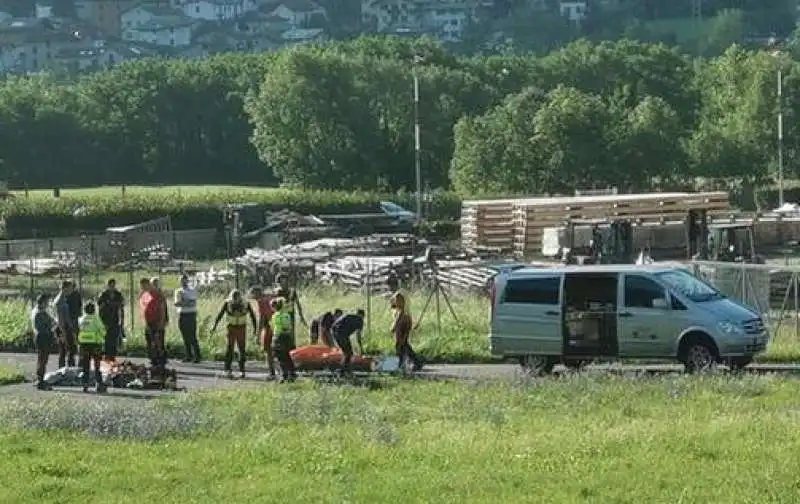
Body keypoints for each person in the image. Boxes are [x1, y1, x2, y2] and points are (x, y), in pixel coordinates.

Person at [212, 289, 257, 379]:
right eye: (234, 298)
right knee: (230, 348)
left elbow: (252, 316)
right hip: (231, 327)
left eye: (237, 298)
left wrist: (255, 329)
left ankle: (242, 370)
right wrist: (214, 326)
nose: (236, 300)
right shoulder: (227, 303)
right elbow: (220, 314)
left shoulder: (246, 303)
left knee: (242, 349)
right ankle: (227, 369)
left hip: (241, 327)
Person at [78, 302, 107, 393]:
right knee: (97, 365)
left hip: (84, 345)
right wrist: (103, 338)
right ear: (94, 310)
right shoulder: (96, 319)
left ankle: (85, 385)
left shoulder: (81, 319)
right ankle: (98, 384)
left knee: (85, 365)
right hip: (95, 344)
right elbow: (102, 330)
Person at [390, 291, 423, 372]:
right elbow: (396, 321)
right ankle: (414, 363)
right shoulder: (398, 312)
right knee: (403, 348)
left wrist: (404, 335)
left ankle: (403, 364)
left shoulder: (405, 313)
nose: (398, 302)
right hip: (398, 333)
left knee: (403, 348)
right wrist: (393, 328)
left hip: (403, 331)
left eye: (400, 300)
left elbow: (407, 324)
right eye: (397, 300)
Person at [139, 278, 167, 371]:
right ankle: (153, 360)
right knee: (150, 342)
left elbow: (162, 309)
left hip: (157, 321)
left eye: (144, 286)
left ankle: (161, 361)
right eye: (141, 287)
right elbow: (144, 309)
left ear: (148, 284)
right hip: (149, 322)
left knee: (158, 342)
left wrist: (162, 322)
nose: (142, 288)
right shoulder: (145, 295)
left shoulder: (158, 294)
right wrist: (145, 322)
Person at [31, 294, 56, 390]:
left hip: (41, 336)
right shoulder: (39, 313)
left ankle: (40, 379)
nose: (48, 303)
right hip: (43, 337)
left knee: (42, 359)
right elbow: (47, 324)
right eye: (46, 302)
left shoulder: (38, 311)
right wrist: (51, 326)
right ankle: (40, 381)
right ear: (43, 302)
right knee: (42, 360)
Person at [251, 286, 276, 380]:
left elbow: (262, 318)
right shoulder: (270, 297)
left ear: (257, 293)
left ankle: (272, 373)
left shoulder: (261, 301)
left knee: (268, 350)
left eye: (252, 294)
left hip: (269, 327)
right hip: (277, 326)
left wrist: (258, 334)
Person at [174, 274, 201, 363]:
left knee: (192, 336)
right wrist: (185, 301)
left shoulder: (192, 290)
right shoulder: (178, 291)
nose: (183, 282)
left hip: (191, 314)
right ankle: (188, 355)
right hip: (182, 314)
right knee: (185, 336)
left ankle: (197, 356)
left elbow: (192, 303)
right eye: (181, 280)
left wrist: (183, 301)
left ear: (187, 281)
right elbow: (177, 303)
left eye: (185, 280)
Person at [273, 273, 306, 343]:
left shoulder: (292, 291)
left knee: (291, 334)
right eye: (281, 281)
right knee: (281, 333)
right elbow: (273, 305)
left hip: (290, 315)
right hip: (280, 316)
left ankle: (291, 348)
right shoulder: (277, 292)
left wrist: (301, 317)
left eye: (284, 281)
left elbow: (298, 304)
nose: (283, 283)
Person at [330, 309, 365, 376]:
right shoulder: (360, 320)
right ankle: (344, 371)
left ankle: (344, 370)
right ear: (362, 316)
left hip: (335, 332)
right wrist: (361, 349)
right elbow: (358, 337)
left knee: (346, 353)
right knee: (349, 353)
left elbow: (334, 325)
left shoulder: (350, 315)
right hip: (342, 334)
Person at [270, 297, 297, 383]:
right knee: (287, 356)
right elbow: (286, 327)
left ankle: (283, 374)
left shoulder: (274, 315)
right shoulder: (285, 315)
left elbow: (273, 326)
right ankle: (291, 374)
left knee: (280, 357)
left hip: (276, 337)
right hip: (284, 337)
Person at [97, 278, 124, 360]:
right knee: (107, 339)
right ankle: (107, 355)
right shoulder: (103, 295)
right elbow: (100, 307)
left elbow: (121, 307)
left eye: (113, 285)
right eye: (110, 285)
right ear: (108, 285)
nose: (112, 287)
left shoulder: (118, 295)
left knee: (114, 339)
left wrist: (122, 321)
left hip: (115, 320)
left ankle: (113, 356)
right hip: (106, 320)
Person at [53, 280, 77, 368]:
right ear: (65, 288)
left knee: (69, 350)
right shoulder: (60, 301)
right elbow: (60, 319)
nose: (72, 290)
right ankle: (64, 370)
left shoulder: (63, 298)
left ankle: (69, 369)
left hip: (65, 327)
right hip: (63, 328)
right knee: (65, 351)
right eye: (70, 288)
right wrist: (62, 333)